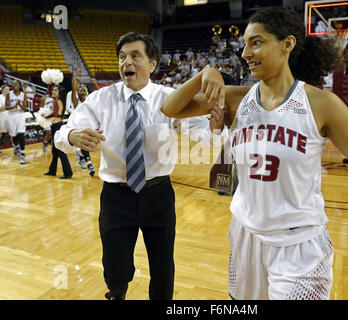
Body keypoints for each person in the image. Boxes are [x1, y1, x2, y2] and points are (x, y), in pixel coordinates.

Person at [161, 7, 348, 300]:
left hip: (298, 245)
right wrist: (203, 74)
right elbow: (170, 109)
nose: (246, 52)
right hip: (245, 233)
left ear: (287, 44)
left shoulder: (322, 103)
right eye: (245, 44)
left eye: (256, 42)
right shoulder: (236, 99)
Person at [54, 32, 223, 300]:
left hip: (157, 193)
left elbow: (203, 134)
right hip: (115, 194)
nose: (126, 63)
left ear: (153, 64)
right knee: (115, 263)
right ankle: (117, 293)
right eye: (122, 57)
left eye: (135, 56)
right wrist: (73, 136)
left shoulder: (169, 98)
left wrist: (215, 127)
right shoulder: (101, 99)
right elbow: (62, 133)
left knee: (162, 263)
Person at [44, 85, 73, 179]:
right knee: (54, 151)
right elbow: (55, 113)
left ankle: (68, 173)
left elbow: (59, 113)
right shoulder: (56, 101)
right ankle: (52, 171)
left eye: (55, 90)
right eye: (53, 90)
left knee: (60, 150)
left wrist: (53, 113)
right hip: (55, 125)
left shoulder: (59, 101)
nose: (53, 91)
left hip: (57, 126)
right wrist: (46, 116)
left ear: (59, 93)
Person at [7, 80, 28, 164]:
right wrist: (14, 106)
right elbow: (7, 107)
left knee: (21, 134)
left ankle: (22, 154)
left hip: (20, 116)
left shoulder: (23, 95)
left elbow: (25, 109)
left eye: (17, 84)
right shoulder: (9, 94)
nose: (15, 85)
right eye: (14, 84)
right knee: (14, 135)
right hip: (11, 116)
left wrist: (19, 105)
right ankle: (16, 147)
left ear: (20, 86)